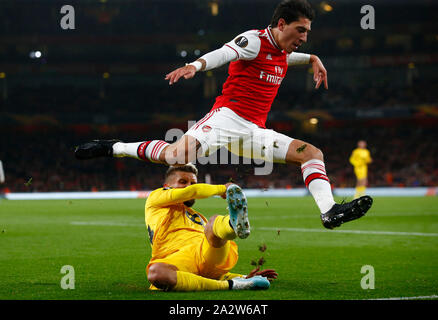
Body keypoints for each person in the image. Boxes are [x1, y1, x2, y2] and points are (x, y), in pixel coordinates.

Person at [75, 0, 373, 229]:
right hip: (226, 118)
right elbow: (225, 53)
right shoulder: (254, 40)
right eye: (301, 30)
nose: (305, 37)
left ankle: (329, 211)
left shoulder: (281, 50)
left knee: (311, 153)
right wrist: (196, 65)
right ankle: (113, 147)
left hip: (255, 130)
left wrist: (313, 59)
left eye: (308, 32)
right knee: (175, 157)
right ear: (281, 24)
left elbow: (288, 57)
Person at [145, 163, 277, 291]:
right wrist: (223, 189)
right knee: (156, 273)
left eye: (192, 183)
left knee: (213, 223)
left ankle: (233, 225)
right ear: (167, 187)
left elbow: (210, 267)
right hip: (177, 260)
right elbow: (193, 191)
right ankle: (233, 284)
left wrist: (244, 276)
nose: (188, 186)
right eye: (183, 182)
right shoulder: (155, 198)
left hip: (207, 252)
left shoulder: (198, 218)